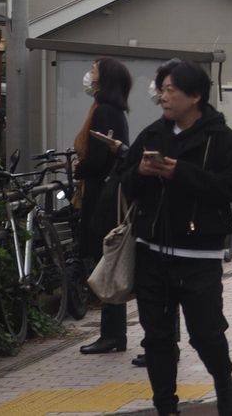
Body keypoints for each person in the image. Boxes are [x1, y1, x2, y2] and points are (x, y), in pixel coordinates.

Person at [123, 61, 232, 416]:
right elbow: (125, 185)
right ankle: (165, 407)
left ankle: (223, 381)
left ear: (194, 96)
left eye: (171, 89)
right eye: (161, 89)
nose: (163, 96)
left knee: (205, 333)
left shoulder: (219, 138)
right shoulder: (151, 136)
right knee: (157, 338)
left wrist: (181, 172)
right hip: (152, 253)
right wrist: (141, 172)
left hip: (199, 256)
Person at [76, 57, 133, 355]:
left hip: (103, 195)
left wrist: (80, 169)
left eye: (94, 71)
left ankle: (112, 334)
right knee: (107, 258)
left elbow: (100, 158)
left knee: (106, 259)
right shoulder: (116, 111)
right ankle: (113, 333)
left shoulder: (104, 112)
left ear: (104, 79)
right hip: (109, 192)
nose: (89, 76)